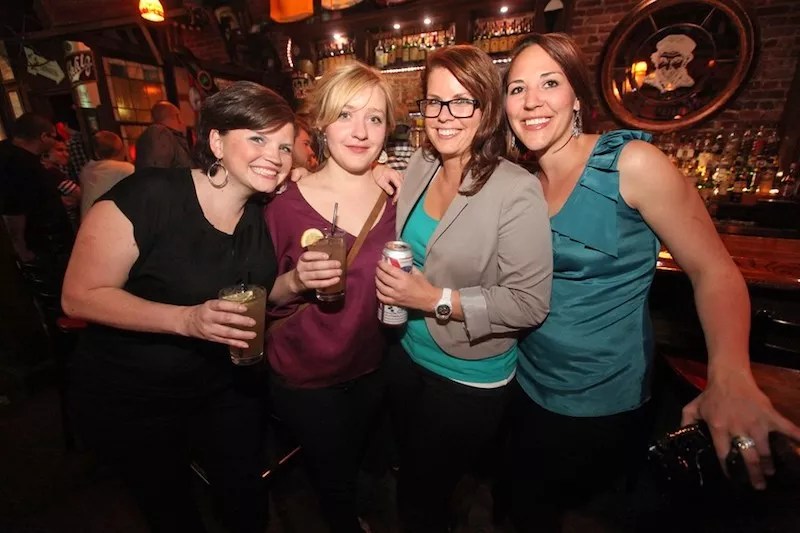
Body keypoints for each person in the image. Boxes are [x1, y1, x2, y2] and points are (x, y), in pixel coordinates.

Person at [501, 33, 800, 532]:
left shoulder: (630, 164)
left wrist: (730, 375)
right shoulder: (524, 184)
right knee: (529, 510)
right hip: (528, 386)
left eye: (549, 83)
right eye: (517, 88)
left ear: (577, 98)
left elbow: (713, 269)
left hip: (604, 401)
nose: (532, 101)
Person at [62, 81, 295, 533]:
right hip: (137, 393)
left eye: (285, 146)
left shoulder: (259, 213)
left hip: (225, 385)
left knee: (247, 504)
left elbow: (259, 294)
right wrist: (185, 320)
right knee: (171, 512)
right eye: (258, 138)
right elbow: (80, 295)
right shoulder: (150, 194)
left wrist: (298, 282)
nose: (276, 155)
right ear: (216, 141)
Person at [374, 45, 552, 532]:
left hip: (466, 375)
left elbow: (529, 304)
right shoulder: (421, 165)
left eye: (461, 101)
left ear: (487, 108)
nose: (444, 115)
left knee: (422, 496)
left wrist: (434, 300)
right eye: (434, 102)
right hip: (404, 351)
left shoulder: (515, 189)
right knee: (409, 470)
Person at [264, 62, 397, 533]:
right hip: (305, 375)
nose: (361, 131)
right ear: (320, 123)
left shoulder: (398, 198)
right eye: (345, 115)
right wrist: (297, 280)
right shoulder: (281, 204)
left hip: (372, 366)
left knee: (365, 463)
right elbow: (255, 296)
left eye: (374, 118)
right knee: (332, 477)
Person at [0, 113, 71, 265]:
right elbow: (13, 211)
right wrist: (21, 249)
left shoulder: (9, 151)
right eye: (54, 137)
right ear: (43, 136)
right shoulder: (20, 164)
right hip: (41, 244)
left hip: (44, 239)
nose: (55, 141)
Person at [79, 131, 134, 219]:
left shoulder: (86, 170)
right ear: (122, 151)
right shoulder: (126, 169)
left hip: (86, 223)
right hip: (109, 223)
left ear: (96, 153)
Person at [134, 100, 192, 170]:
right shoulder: (159, 133)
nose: (184, 123)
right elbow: (157, 169)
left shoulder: (169, 138)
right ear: (178, 117)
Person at [41, 138, 81, 230]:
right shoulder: (52, 173)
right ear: (45, 154)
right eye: (60, 150)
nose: (66, 154)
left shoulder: (52, 171)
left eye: (67, 150)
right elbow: (80, 194)